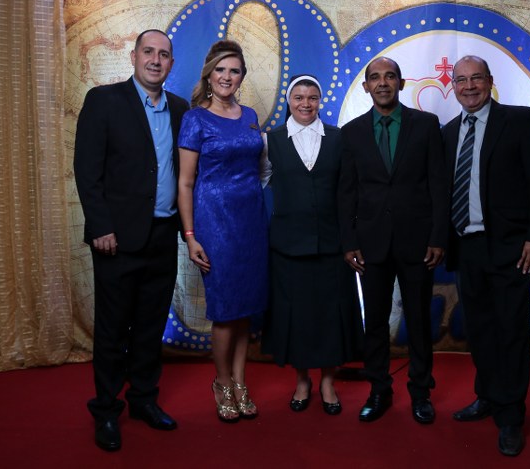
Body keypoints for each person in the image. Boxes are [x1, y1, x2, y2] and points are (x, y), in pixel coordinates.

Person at [73, 29, 189, 452]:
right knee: (112, 329)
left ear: (171, 63)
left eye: (164, 54)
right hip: (116, 239)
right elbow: (87, 169)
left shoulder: (180, 109)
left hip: (163, 234)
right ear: (134, 56)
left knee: (150, 326)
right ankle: (106, 410)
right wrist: (101, 226)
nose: (156, 60)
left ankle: (143, 400)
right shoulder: (104, 101)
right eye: (148, 52)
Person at [442, 55, 530, 457]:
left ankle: (510, 417)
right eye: (461, 80)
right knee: (480, 331)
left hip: (510, 248)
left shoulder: (519, 120)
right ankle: (488, 395)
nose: (469, 86)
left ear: (490, 81)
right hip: (466, 247)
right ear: (452, 86)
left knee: (510, 331)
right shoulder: (448, 132)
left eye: (476, 78)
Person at [338, 57, 447, 424]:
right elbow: (346, 193)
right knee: (375, 323)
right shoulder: (351, 132)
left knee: (418, 321)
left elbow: (439, 185)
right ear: (366, 87)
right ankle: (379, 390)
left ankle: (421, 393)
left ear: (401, 83)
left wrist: (438, 236)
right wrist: (349, 241)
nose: (382, 82)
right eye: (375, 77)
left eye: (389, 76)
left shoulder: (426, 125)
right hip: (371, 245)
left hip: (419, 243)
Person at [261, 75, 363, 416]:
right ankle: (302, 380)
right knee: (297, 318)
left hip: (333, 245)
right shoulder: (270, 141)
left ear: (320, 100)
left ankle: (328, 382)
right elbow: (257, 184)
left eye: (312, 97)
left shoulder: (339, 138)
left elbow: (348, 191)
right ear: (289, 101)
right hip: (288, 246)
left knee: (331, 316)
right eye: (299, 97)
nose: (306, 103)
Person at [177, 39, 268, 423]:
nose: (227, 77)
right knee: (226, 308)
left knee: (246, 308)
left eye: (235, 70)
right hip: (215, 223)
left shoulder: (250, 115)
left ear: (242, 76)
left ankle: (241, 381)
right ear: (209, 75)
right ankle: (222, 382)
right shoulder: (195, 119)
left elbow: (259, 169)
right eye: (221, 70)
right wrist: (191, 236)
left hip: (252, 221)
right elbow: (185, 183)